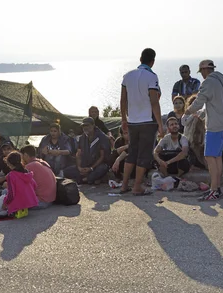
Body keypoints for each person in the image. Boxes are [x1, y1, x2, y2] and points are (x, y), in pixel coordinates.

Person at [183, 60, 223, 201]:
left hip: (214, 125)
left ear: (205, 70)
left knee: (210, 157)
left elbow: (198, 102)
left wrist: (187, 111)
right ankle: (217, 188)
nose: (202, 75)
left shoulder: (208, 83)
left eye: (202, 71)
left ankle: (213, 190)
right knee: (217, 157)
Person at [119, 48, 164, 195]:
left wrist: (124, 119)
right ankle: (137, 187)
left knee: (132, 153)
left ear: (140, 59)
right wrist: (160, 124)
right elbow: (154, 101)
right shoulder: (152, 76)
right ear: (153, 61)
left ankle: (124, 185)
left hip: (132, 121)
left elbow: (123, 100)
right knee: (144, 155)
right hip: (147, 121)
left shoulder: (127, 76)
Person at [63, 118, 110, 184]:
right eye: (84, 126)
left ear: (93, 125)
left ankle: (85, 179)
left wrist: (91, 168)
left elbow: (102, 157)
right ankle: (89, 179)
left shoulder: (102, 137)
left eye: (87, 125)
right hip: (85, 165)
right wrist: (79, 167)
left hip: (96, 166)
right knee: (66, 171)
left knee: (103, 168)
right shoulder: (82, 138)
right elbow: (78, 154)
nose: (85, 128)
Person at [0, 151, 38, 217]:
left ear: (9, 164)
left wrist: (5, 204)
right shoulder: (27, 173)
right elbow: (34, 185)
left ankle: (12, 210)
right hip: (28, 203)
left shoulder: (11, 175)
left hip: (17, 204)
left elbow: (11, 194)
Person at [181, 94, 206, 168]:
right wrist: (192, 115)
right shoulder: (188, 114)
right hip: (189, 137)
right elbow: (184, 122)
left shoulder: (202, 112)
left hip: (199, 137)